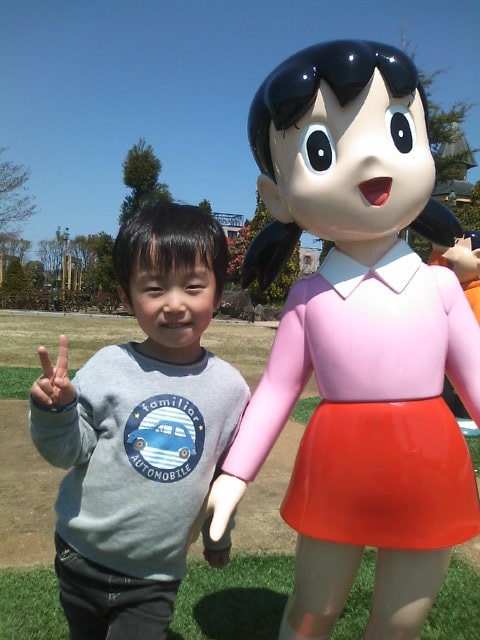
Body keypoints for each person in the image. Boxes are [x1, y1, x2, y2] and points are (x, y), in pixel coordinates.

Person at [207, 40, 480, 639]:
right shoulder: (310, 299)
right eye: (321, 149)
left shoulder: (439, 288)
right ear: (277, 197)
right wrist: (234, 476)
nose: (371, 160)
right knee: (313, 610)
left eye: (400, 133)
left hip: (430, 466)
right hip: (335, 467)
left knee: (399, 622)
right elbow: (277, 390)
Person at [29, 202, 250, 640]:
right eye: (154, 288)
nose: (174, 304)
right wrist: (56, 412)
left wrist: (218, 535)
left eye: (193, 286)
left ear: (218, 293)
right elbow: (69, 453)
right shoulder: (108, 366)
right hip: (79, 555)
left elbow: (225, 476)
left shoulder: (229, 389)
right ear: (127, 297)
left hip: (154, 576)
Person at [430, 230, 480, 435]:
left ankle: (466, 414)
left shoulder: (475, 295)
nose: (445, 254)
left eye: (455, 246)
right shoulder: (451, 291)